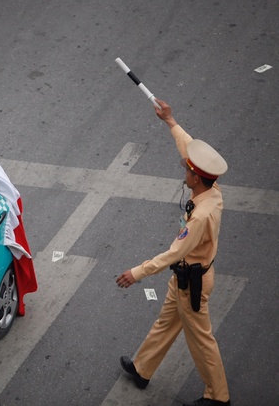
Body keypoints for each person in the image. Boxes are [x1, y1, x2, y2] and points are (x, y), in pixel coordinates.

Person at [115, 99, 231, 406]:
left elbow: (172, 253)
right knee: (166, 323)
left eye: (187, 171)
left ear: (195, 178)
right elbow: (189, 147)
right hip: (185, 277)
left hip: (191, 281)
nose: (184, 172)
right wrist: (170, 120)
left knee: (202, 342)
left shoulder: (202, 216)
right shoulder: (211, 189)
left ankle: (218, 397)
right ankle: (142, 369)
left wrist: (136, 273)